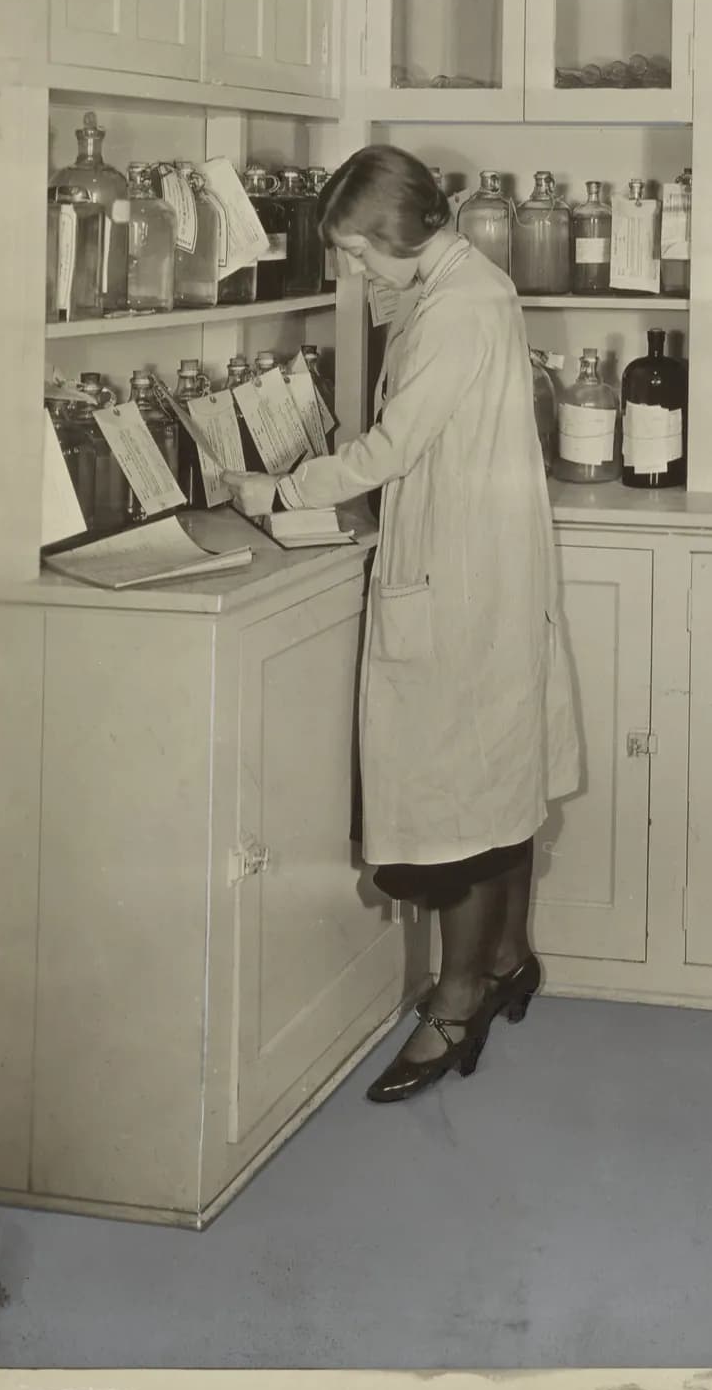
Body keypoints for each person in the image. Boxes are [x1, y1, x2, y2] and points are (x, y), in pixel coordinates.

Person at [220, 146, 583, 1103]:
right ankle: (508, 958)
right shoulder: (458, 283)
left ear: (402, 230)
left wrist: (276, 489)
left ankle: (455, 1008)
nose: (352, 270)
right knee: (497, 778)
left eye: (357, 250)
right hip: (475, 565)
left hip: (460, 575)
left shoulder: (460, 304)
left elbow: (391, 445)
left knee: (461, 803)